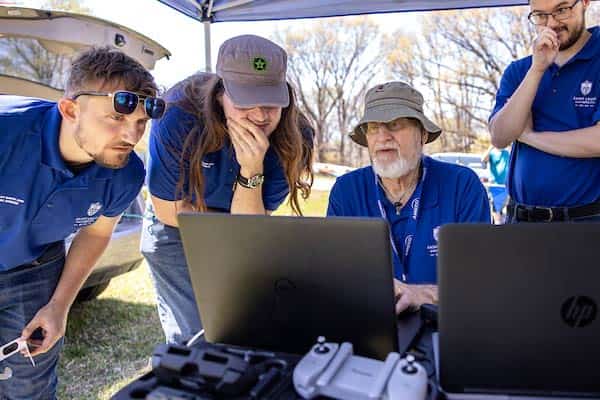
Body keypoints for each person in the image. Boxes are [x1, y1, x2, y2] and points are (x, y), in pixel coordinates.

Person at [0, 47, 163, 400]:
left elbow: (95, 234)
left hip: (36, 267)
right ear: (71, 109)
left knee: (29, 385)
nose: (131, 135)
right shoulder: (6, 132)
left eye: (139, 122)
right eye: (116, 119)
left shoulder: (125, 173)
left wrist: (59, 306)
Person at [141, 35, 314, 345]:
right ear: (220, 93)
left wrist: (251, 169)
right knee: (194, 335)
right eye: (247, 100)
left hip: (241, 228)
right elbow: (169, 211)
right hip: (175, 229)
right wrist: (231, 224)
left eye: (272, 101)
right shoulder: (177, 115)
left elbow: (248, 228)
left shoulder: (295, 137)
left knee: (245, 324)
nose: (261, 116)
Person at [327, 81, 490, 314]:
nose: (383, 136)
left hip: (446, 326)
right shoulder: (346, 191)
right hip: (369, 324)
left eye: (395, 125)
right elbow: (334, 278)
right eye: (373, 127)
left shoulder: (461, 186)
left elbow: (481, 283)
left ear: (422, 135)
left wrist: (422, 294)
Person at [489, 0, 600, 222]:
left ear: (585, 3)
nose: (551, 23)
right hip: (522, 222)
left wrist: (528, 136)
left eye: (561, 10)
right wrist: (537, 69)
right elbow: (500, 137)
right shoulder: (520, 70)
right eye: (540, 15)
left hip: (586, 222)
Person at [482, 145, 510, 223]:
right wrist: (491, 147)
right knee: (496, 212)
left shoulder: (507, 153)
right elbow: (483, 160)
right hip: (495, 186)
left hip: (505, 186)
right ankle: (498, 230)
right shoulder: (492, 153)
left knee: (503, 211)